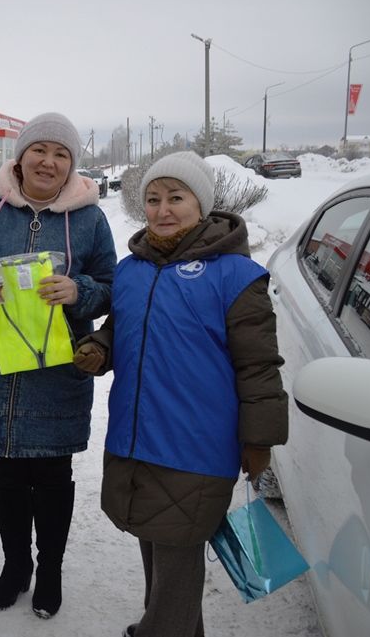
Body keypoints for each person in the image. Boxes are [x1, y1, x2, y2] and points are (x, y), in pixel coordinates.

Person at [73, 151, 288, 637]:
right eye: (153, 199)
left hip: (195, 445)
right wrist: (98, 348)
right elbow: (124, 327)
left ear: (202, 205)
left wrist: (260, 439)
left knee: (176, 560)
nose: (163, 209)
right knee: (155, 542)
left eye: (176, 197)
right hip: (135, 435)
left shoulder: (235, 276)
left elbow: (258, 366)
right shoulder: (131, 270)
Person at [0, 112, 117, 619]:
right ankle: (16, 567)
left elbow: (111, 286)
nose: (49, 162)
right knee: (6, 471)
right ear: (22, 155)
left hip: (58, 373)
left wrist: (81, 291)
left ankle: (49, 569)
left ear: (72, 165)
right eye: (41, 150)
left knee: (54, 474)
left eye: (61, 154)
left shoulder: (90, 220)